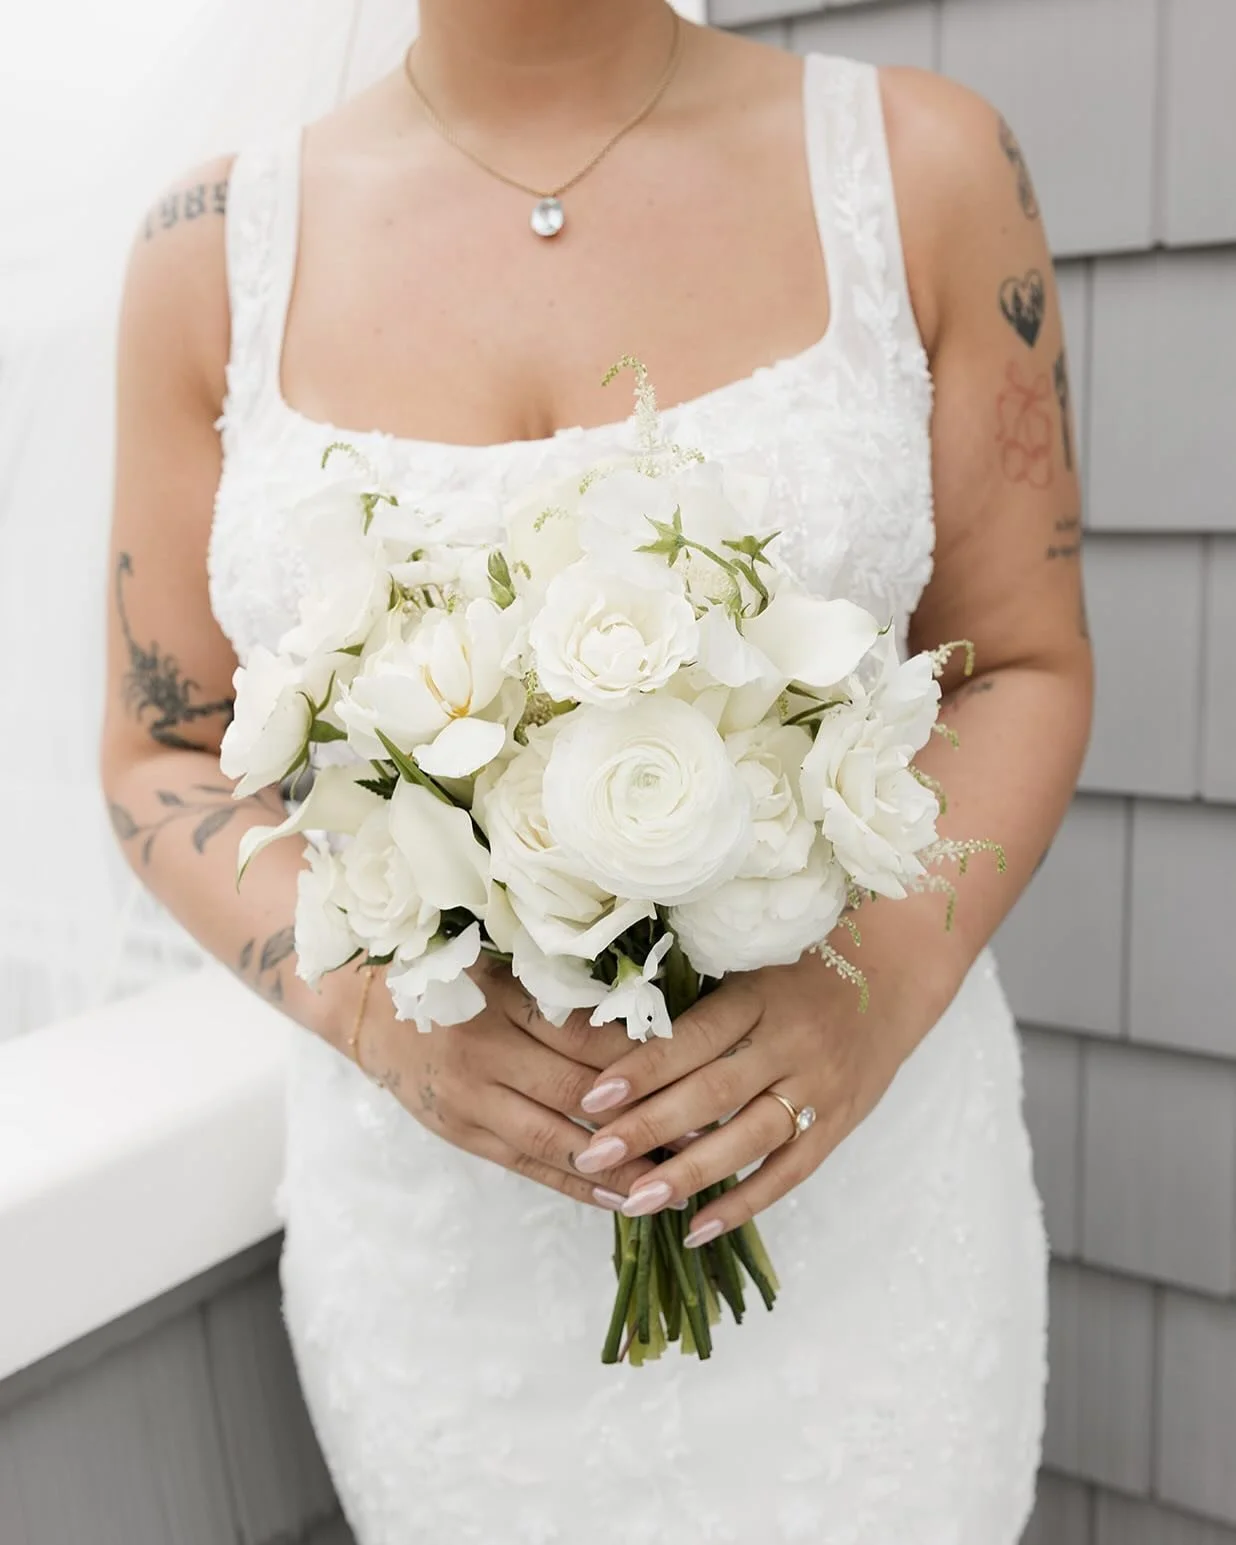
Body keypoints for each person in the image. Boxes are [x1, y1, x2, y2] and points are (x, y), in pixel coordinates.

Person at [99, 3, 1092, 1540]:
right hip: (444, 1252)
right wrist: (367, 1003)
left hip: (855, 1198)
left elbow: (1021, 661)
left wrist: (867, 992)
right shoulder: (208, 249)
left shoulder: (922, 169)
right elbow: (162, 742)